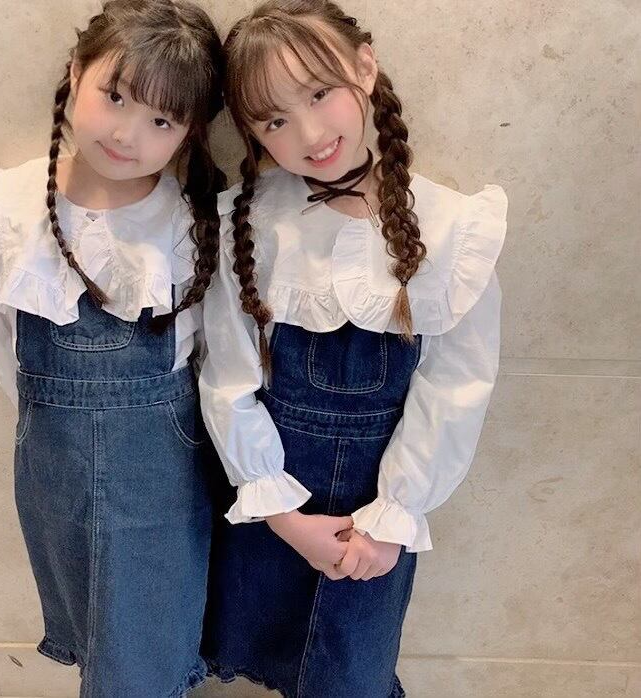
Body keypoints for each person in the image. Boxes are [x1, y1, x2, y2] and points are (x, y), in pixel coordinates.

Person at [199, 1, 508, 696]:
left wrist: (394, 516)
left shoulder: (453, 230)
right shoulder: (248, 225)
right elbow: (226, 380)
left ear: (364, 67)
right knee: (269, 661)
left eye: (319, 93)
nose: (309, 134)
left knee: (353, 676)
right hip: (274, 511)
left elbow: (456, 389)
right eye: (273, 121)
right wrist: (284, 516)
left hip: (379, 519)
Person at [0, 1, 225, 694]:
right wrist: (48, 424)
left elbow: (210, 360)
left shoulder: (192, 220)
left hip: (162, 473)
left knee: (144, 654)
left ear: (189, 133)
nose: (128, 134)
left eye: (162, 121)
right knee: (95, 635)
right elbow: (3, 343)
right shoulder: (7, 206)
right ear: (76, 73)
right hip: (52, 467)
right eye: (116, 96)